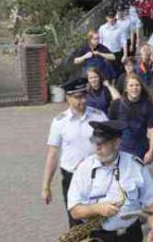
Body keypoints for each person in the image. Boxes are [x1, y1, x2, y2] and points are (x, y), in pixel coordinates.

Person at [67, 120, 153, 242]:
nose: (97, 148)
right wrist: (97, 209)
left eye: (102, 143)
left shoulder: (135, 165)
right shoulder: (84, 168)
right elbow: (74, 210)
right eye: (95, 143)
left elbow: (151, 201)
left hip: (130, 235)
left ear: (116, 143)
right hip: (98, 236)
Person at [41, 77, 108, 228]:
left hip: (98, 176)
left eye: (85, 95)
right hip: (72, 178)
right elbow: (52, 155)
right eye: (78, 97)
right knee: (76, 223)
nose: (82, 100)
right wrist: (46, 186)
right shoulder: (59, 122)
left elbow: (111, 148)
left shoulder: (100, 117)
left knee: (102, 221)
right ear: (67, 98)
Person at [109, 74, 153, 164]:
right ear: (126, 89)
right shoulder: (117, 104)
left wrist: (151, 151)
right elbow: (110, 128)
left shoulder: (148, 105)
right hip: (121, 150)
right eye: (131, 85)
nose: (134, 88)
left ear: (141, 87)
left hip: (140, 150)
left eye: (137, 85)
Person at [99, 10, 126, 77]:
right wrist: (100, 54)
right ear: (106, 18)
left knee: (117, 72)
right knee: (107, 73)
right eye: (109, 17)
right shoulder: (102, 28)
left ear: (115, 17)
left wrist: (125, 55)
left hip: (117, 53)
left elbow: (124, 42)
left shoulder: (120, 28)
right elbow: (100, 42)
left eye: (112, 17)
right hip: (106, 53)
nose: (111, 19)